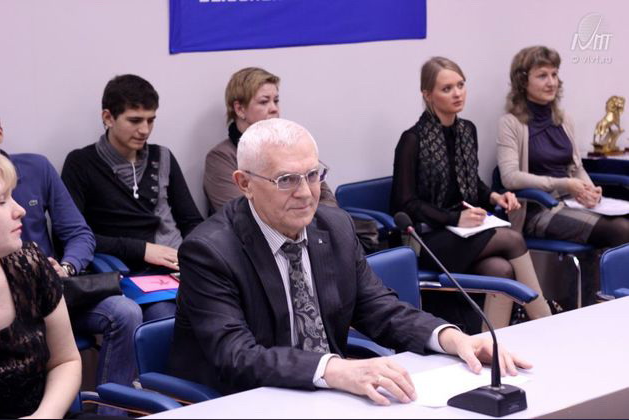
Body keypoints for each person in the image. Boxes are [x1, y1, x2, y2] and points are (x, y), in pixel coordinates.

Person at [170, 118, 531, 405]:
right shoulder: (210, 251)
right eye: (286, 180)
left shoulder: (334, 227)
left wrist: (452, 338)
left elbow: (379, 309)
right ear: (244, 183)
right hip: (245, 401)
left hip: (324, 397)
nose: (306, 193)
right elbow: (237, 356)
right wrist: (336, 370)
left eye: (313, 175)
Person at [390, 57, 552, 330]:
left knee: (501, 270)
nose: (457, 93)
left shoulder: (467, 130)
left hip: (463, 233)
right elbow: (403, 203)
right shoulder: (412, 139)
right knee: (511, 238)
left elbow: (470, 182)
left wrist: (494, 197)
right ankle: (545, 321)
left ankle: (491, 343)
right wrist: (454, 218)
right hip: (426, 238)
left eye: (461, 85)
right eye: (447, 88)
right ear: (427, 95)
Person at [0, 117, 142, 416]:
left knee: (125, 312)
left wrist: (66, 267)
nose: (19, 210)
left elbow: (79, 233)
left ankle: (111, 411)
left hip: (52, 284)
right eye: (2, 201)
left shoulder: (37, 168)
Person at [62, 74, 204, 320]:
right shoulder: (81, 163)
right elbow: (74, 237)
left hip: (178, 267)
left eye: (151, 120)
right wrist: (142, 249)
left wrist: (193, 254)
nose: (145, 130)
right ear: (108, 118)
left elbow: (191, 221)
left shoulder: (163, 156)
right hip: (128, 272)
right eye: (135, 120)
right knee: (167, 318)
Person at [497, 46, 629, 305]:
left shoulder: (563, 119)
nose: (551, 82)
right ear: (523, 80)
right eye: (542, 75)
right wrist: (566, 184)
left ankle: (607, 302)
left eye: (554, 74)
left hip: (573, 204)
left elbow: (576, 167)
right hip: (539, 210)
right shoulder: (510, 123)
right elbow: (510, 177)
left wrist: (590, 190)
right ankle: (609, 305)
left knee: (620, 226)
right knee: (621, 230)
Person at [0, 153, 82, 418]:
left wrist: (44, 416)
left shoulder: (30, 264)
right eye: (1, 201)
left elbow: (65, 360)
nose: (20, 210)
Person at [203, 67, 337, 211]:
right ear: (240, 109)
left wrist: (310, 217)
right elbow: (237, 213)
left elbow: (328, 201)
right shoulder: (222, 158)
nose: (274, 108)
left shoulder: (292, 146)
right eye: (264, 102)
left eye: (276, 101)